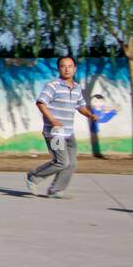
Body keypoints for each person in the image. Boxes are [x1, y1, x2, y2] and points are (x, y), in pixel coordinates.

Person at [26, 55, 97, 199]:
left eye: (70, 66)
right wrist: (52, 120)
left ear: (75, 69)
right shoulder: (53, 85)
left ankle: (56, 190)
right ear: (59, 69)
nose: (67, 69)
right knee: (61, 162)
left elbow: (81, 106)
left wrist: (89, 115)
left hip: (69, 133)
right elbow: (41, 103)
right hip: (55, 132)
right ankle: (34, 176)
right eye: (63, 66)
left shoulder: (76, 88)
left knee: (71, 164)